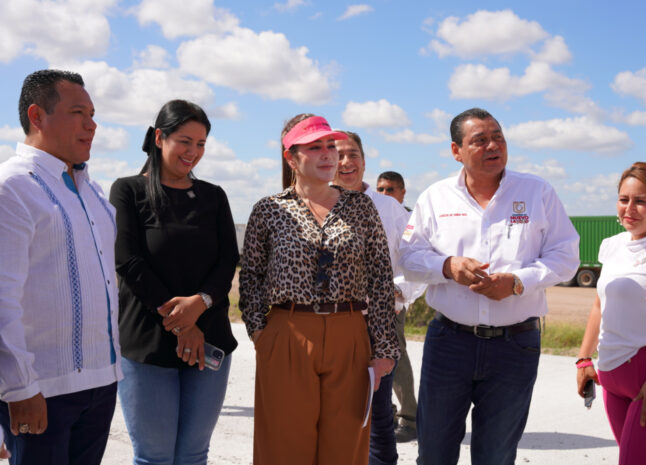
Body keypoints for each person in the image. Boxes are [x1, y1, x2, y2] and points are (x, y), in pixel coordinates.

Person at [398, 108, 579, 465]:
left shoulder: (537, 191)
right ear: (456, 151)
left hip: (515, 346)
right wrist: (447, 267)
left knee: (496, 456)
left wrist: (516, 283)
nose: (493, 145)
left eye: (498, 137)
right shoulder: (435, 198)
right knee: (434, 453)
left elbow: (566, 256)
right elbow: (409, 256)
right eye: (480, 140)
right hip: (449, 343)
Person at [239, 114, 399, 465]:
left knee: (345, 446)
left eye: (331, 146)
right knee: (283, 446)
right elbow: (250, 276)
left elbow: (380, 278)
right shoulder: (269, 210)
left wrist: (384, 348)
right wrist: (260, 334)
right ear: (291, 158)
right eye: (315, 148)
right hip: (288, 334)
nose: (330, 156)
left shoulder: (360, 207)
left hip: (351, 333)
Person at [0, 69, 122, 464]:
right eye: (77, 112)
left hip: (102, 382)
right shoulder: (12, 188)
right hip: (42, 389)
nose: (92, 124)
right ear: (37, 116)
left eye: (92, 113)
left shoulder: (94, 192)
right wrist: (19, 388)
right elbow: (2, 299)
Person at [110, 100, 238, 464]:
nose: (193, 152)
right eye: (185, 141)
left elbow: (228, 259)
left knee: (194, 455)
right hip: (146, 342)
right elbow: (128, 261)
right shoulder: (128, 191)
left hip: (209, 337)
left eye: (201, 144)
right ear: (159, 137)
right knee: (154, 456)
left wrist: (200, 303)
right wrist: (182, 324)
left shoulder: (214, 196)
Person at [576, 162, 646, 465]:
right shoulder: (611, 245)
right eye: (624, 199)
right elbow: (600, 304)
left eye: (640, 201)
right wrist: (584, 358)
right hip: (612, 379)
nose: (629, 208)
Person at [333, 133, 425, 462]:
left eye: (353, 154)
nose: (346, 162)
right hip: (326, 328)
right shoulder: (312, 204)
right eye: (337, 154)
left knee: (377, 417)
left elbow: (416, 257)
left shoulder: (390, 208)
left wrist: (400, 292)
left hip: (376, 328)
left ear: (364, 161)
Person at [376, 170, 420, 442]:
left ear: (403, 193)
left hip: (393, 301)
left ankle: (410, 417)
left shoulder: (410, 220)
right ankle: (387, 412)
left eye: (390, 189)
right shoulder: (371, 212)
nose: (384, 194)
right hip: (366, 302)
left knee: (397, 357)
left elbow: (414, 262)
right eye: (380, 189)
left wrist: (399, 292)